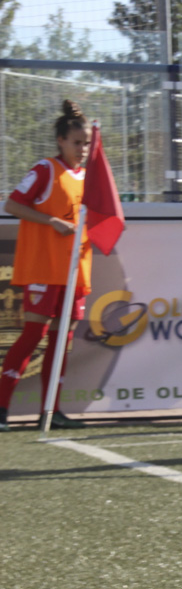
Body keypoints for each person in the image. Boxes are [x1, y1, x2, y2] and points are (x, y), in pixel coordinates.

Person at [0, 101, 93, 431]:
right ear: (60, 141)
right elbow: (12, 203)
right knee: (33, 335)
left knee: (60, 342)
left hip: (74, 271)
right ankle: (2, 408)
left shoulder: (88, 176)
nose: (82, 149)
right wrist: (51, 220)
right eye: (76, 142)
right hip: (44, 268)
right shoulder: (45, 169)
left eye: (86, 143)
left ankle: (51, 411)